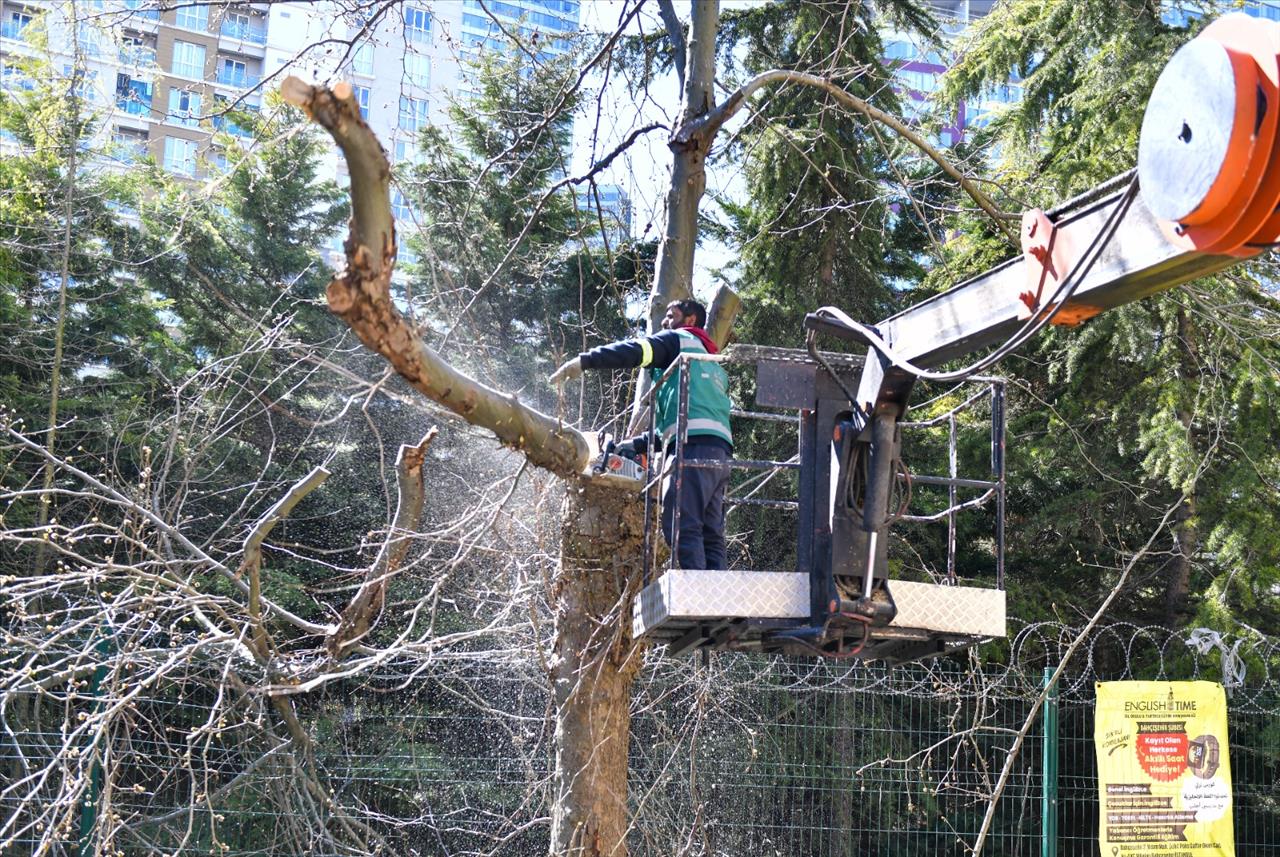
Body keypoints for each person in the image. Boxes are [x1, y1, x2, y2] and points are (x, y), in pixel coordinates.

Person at [550, 299, 733, 570]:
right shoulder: (712, 362)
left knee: (682, 524)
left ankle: (699, 603)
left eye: (671, 316)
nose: (664, 322)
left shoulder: (677, 341)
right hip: (720, 454)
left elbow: (636, 350)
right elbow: (682, 425)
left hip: (689, 448)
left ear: (691, 320)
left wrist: (585, 361)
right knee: (710, 533)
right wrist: (633, 445)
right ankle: (718, 601)